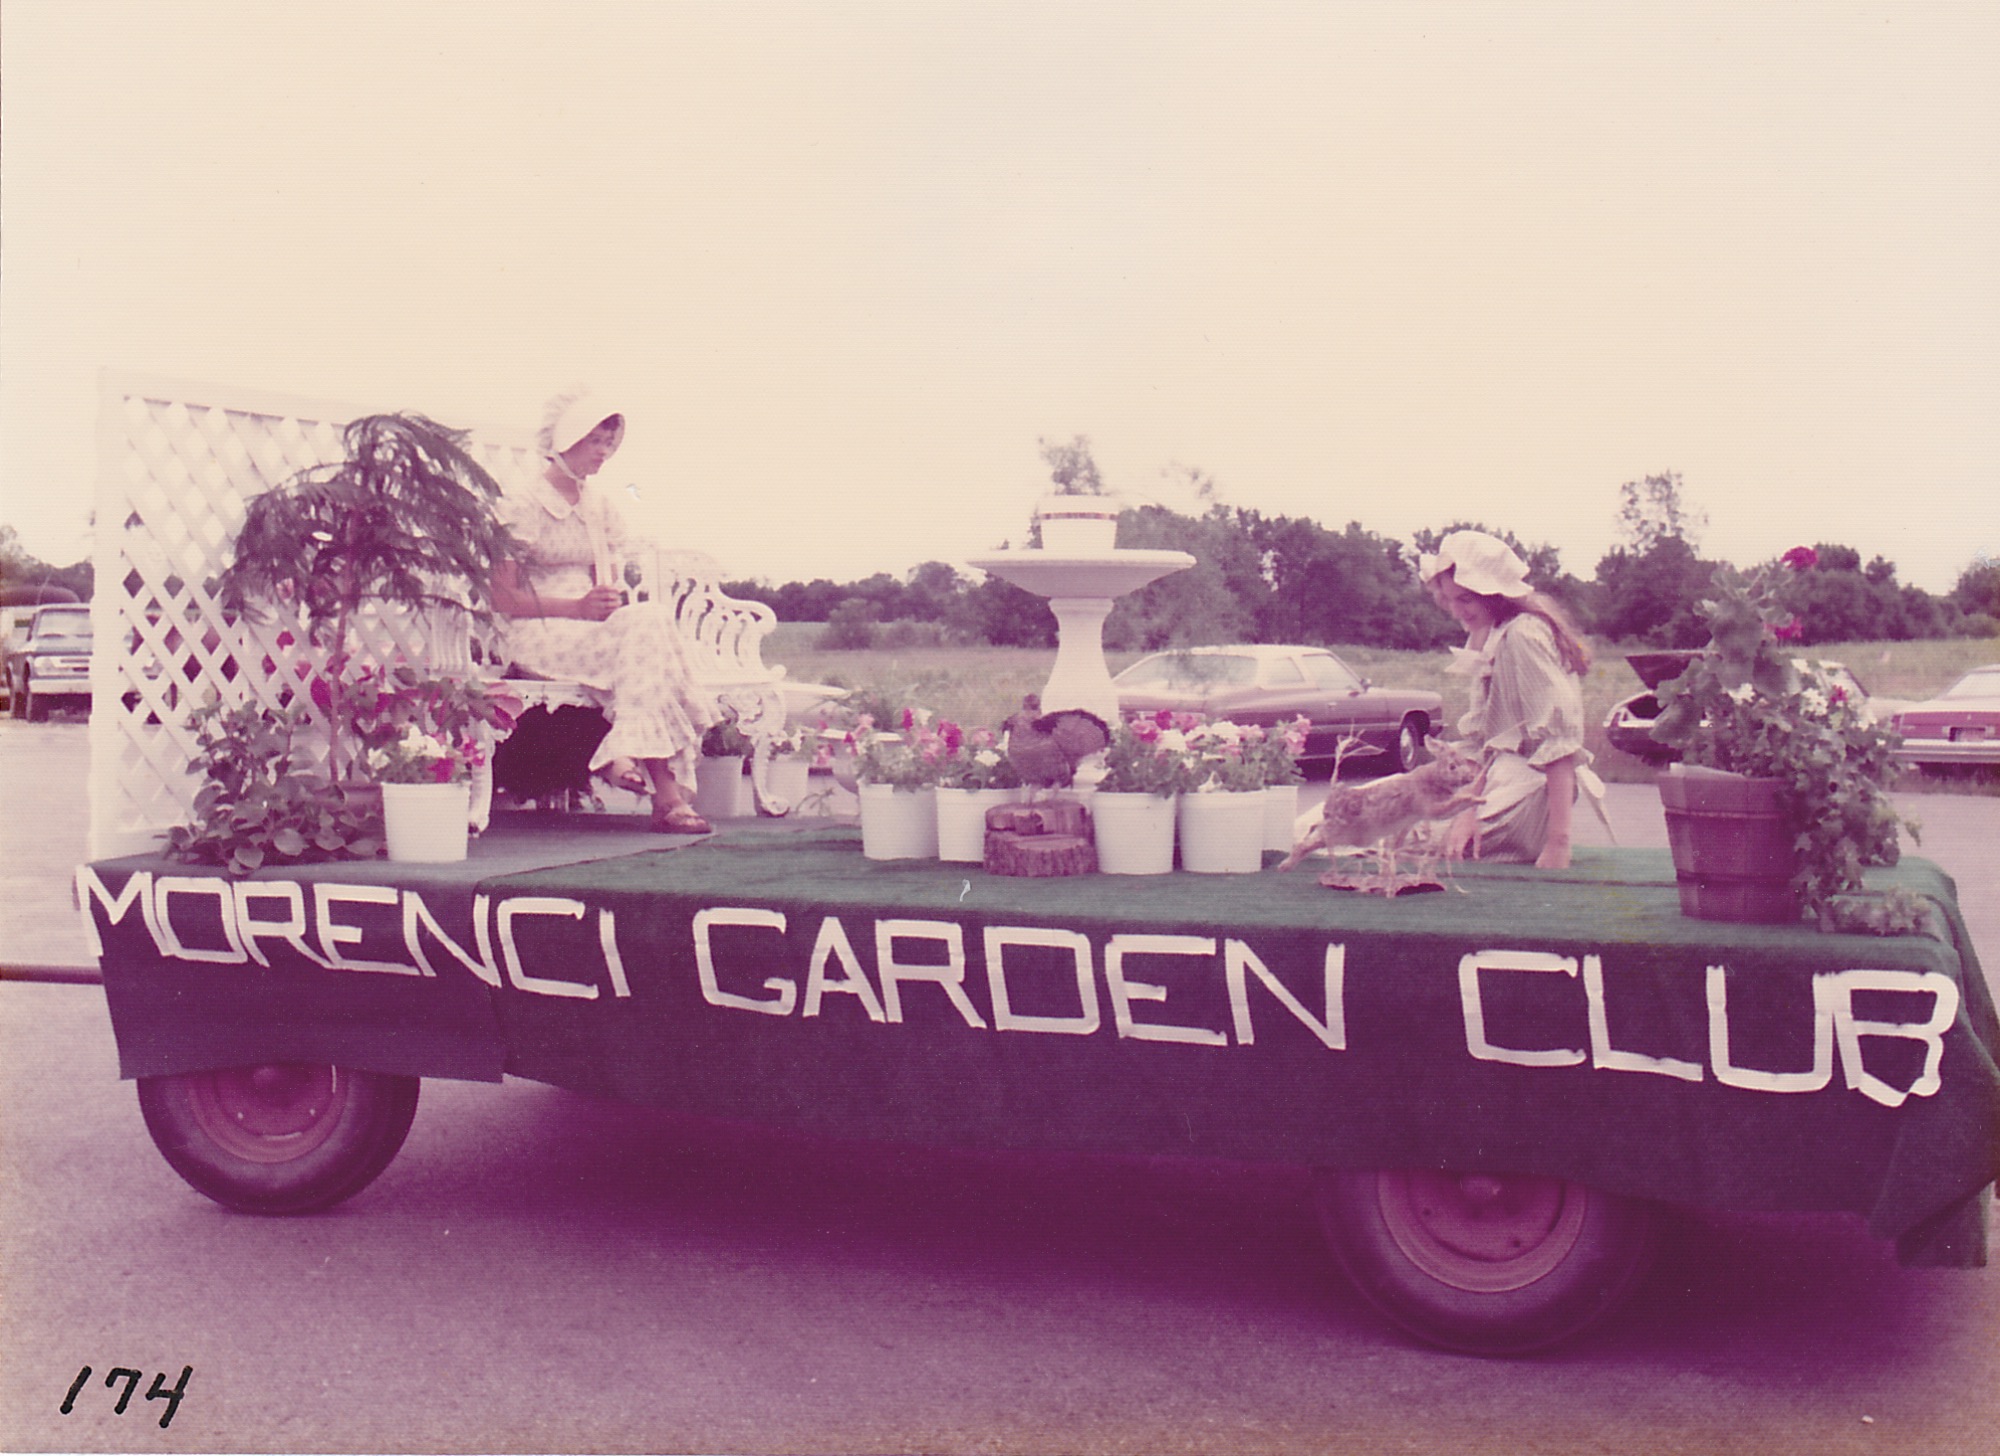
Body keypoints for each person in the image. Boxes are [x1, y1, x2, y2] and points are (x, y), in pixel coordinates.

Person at [491, 392, 719, 832]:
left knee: (647, 621)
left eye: (608, 443)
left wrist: (603, 603)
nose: (603, 453)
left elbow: (604, 580)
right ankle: (666, 794)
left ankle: (644, 776)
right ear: (566, 439)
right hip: (537, 627)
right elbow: (503, 599)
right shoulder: (521, 505)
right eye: (594, 441)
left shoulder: (598, 507)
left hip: (588, 628)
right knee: (643, 637)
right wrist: (575, 607)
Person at [1419, 529, 1604, 869]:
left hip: (1531, 792)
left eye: (1467, 599)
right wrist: (1466, 808)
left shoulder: (1524, 634)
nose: (1458, 611)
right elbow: (1485, 744)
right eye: (1451, 599)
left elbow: (1559, 742)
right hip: (1495, 783)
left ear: (1493, 593)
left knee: (1394, 838)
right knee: (1373, 812)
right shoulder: (1490, 632)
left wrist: (1558, 844)